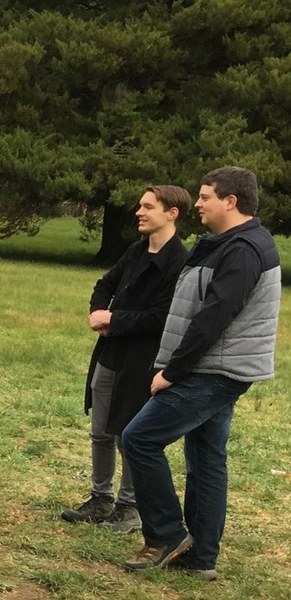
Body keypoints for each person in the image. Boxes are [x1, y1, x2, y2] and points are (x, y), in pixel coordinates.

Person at [120, 167, 280, 580]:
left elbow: (213, 319)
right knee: (207, 459)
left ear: (231, 201)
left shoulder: (244, 250)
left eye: (207, 196)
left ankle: (166, 535)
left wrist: (172, 371)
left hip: (213, 371)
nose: (200, 203)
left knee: (138, 439)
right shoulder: (221, 244)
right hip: (213, 368)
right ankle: (201, 557)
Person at [60, 186, 189, 533]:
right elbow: (105, 283)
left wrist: (113, 321)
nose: (138, 212)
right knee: (100, 431)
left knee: (129, 434)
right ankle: (100, 498)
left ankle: (130, 506)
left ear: (172, 213)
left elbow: (161, 316)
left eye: (148, 207)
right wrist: (98, 312)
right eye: (140, 206)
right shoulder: (136, 250)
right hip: (110, 353)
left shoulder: (180, 263)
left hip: (144, 361)